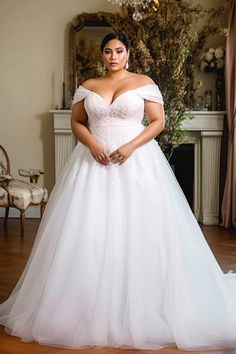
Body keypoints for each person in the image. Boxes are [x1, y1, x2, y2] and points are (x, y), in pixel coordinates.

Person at [0, 31, 236, 351]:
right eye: (108, 51)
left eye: (119, 51)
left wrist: (130, 147)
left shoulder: (143, 82)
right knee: (89, 231)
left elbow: (157, 122)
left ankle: (146, 302)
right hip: (92, 163)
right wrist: (94, 143)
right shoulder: (89, 86)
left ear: (128, 54)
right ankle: (85, 302)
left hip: (135, 161)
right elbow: (77, 123)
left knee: (140, 229)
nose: (113, 56)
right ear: (102, 55)